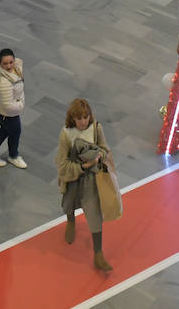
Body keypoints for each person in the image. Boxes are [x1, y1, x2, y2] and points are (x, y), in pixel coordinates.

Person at [57, 98, 114, 272]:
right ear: (72, 119)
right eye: (79, 118)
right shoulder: (66, 134)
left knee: (95, 213)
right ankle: (71, 221)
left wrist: (98, 157)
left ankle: (98, 254)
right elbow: (62, 163)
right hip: (73, 177)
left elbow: (105, 149)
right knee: (69, 202)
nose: (83, 121)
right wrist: (81, 166)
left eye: (85, 117)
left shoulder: (96, 128)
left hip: (92, 179)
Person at [0, 48, 26, 168]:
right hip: (7, 113)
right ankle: (12, 156)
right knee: (15, 131)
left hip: (1, 110)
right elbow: (8, 105)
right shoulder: (3, 81)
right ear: (0, 63)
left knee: (5, 131)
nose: (9, 66)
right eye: (5, 63)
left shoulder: (15, 67)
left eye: (11, 62)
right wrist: (21, 104)